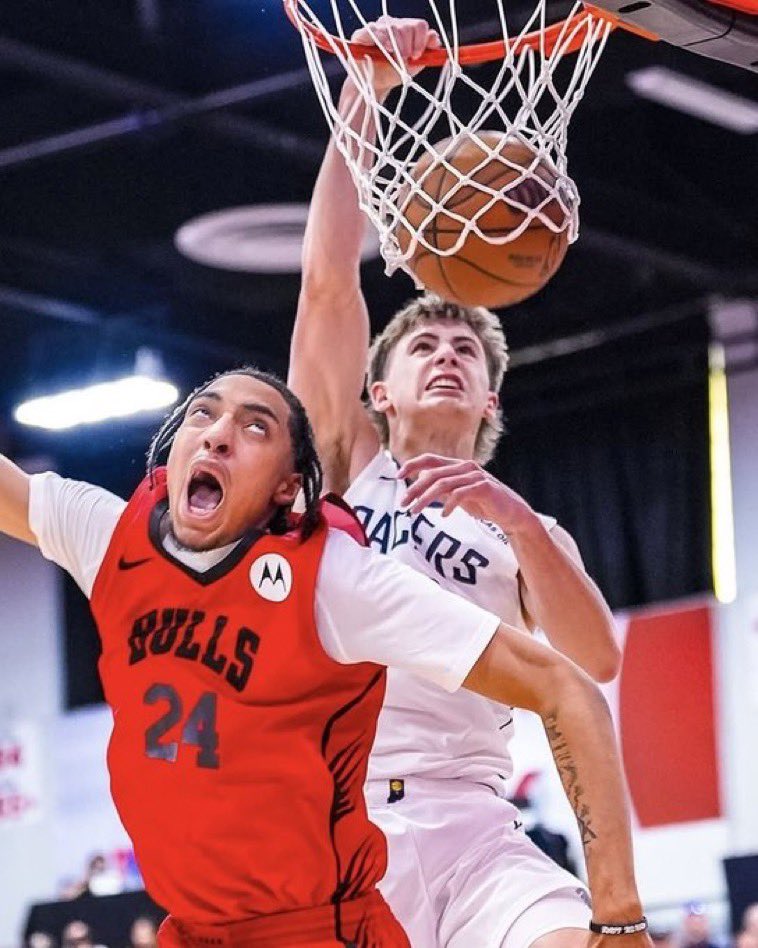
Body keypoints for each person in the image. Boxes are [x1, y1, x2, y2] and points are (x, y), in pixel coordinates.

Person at [2, 368, 641, 947]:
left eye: (255, 426)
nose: (219, 435)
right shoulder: (109, 536)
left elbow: (566, 685)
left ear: (287, 487)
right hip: (199, 931)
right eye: (203, 413)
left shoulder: (333, 576)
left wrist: (619, 917)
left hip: (319, 927)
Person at [290, 14, 629, 948]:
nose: (446, 354)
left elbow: (596, 662)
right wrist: (369, 90)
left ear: (489, 400)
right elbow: (326, 285)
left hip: (480, 824)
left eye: (466, 351)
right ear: (379, 393)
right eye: (424, 344)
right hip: (349, 822)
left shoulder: (529, 532)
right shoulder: (349, 466)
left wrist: (517, 522)